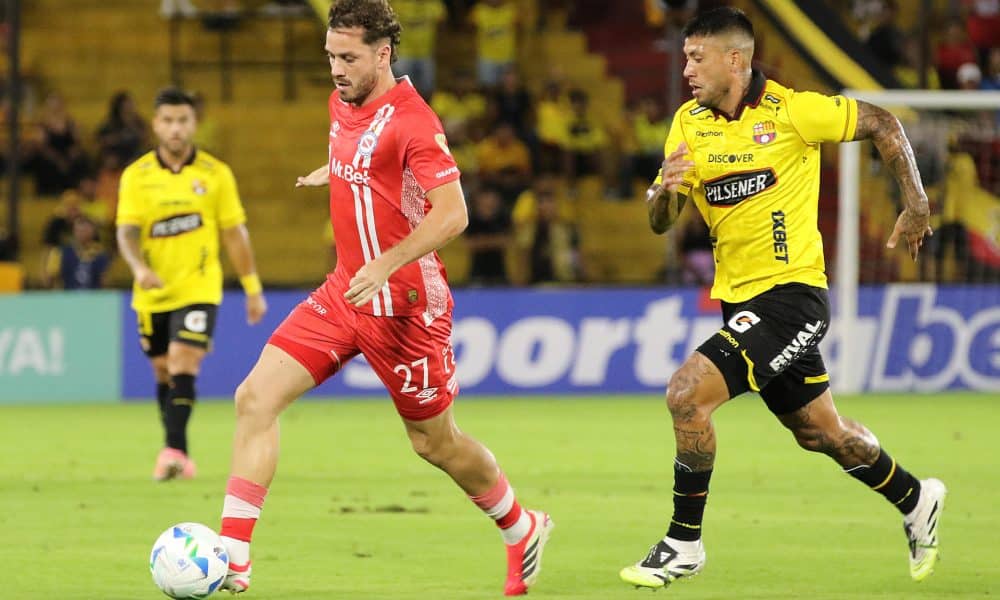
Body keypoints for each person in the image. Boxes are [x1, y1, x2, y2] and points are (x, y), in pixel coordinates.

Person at [213, 1, 553, 596]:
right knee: (254, 398)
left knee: (434, 444)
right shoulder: (341, 101)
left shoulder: (414, 122)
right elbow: (368, 159)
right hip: (345, 293)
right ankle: (232, 557)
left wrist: (386, 263)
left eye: (348, 58)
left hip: (406, 307)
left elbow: (454, 214)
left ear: (383, 53)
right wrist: (336, 171)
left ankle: (521, 526)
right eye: (330, 56)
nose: (335, 69)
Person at [618, 8, 945, 590]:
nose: (686, 69)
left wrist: (916, 202)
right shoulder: (688, 123)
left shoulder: (794, 111)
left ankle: (683, 543)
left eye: (696, 57)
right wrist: (665, 191)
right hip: (739, 301)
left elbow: (883, 122)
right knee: (822, 434)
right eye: (686, 57)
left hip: (793, 297)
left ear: (734, 60)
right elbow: (660, 221)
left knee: (686, 394)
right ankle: (916, 497)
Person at [116, 87, 267, 482]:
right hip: (152, 291)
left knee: (184, 361)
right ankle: (177, 451)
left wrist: (252, 287)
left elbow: (234, 234)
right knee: (163, 370)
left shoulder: (216, 174)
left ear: (194, 124)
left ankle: (173, 453)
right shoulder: (137, 176)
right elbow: (126, 232)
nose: (175, 129)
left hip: (199, 288)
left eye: (182, 120)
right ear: (155, 125)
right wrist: (138, 268)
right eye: (168, 121)